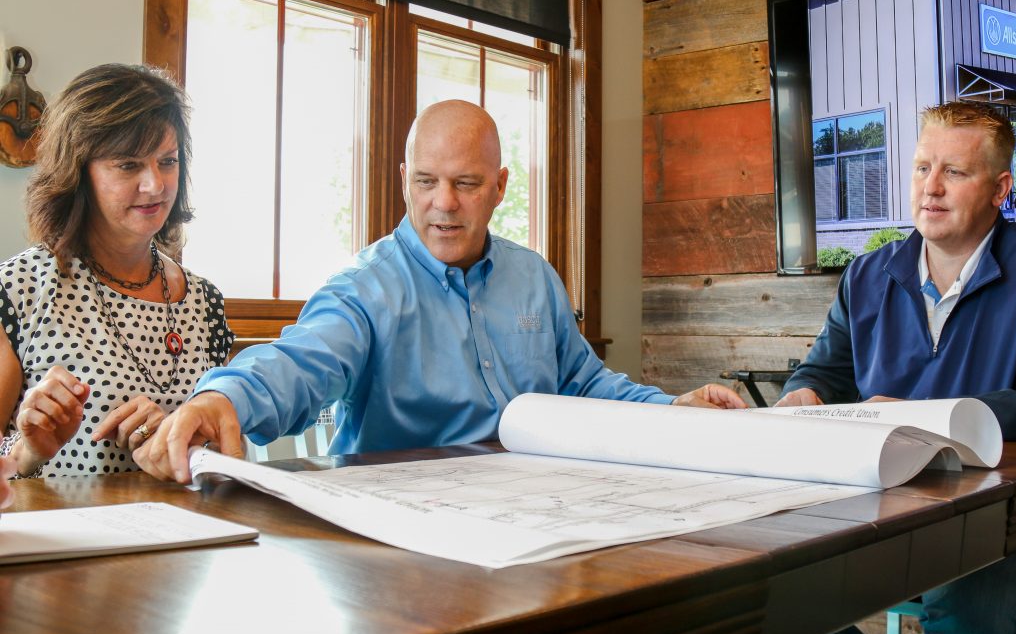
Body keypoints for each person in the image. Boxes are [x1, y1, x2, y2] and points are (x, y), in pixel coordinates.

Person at [133, 99, 745, 483]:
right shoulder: (365, 286)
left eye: (467, 183)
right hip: (406, 526)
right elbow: (300, 361)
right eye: (426, 182)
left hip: (540, 506)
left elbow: (584, 384)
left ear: (501, 186)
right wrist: (226, 398)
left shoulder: (536, 278)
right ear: (404, 180)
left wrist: (671, 410)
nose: (443, 204)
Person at [775, 101, 1016, 634]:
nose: (930, 188)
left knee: (964, 616)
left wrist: (924, 417)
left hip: (1001, 521)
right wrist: (803, 395)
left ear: (999, 188)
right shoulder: (866, 275)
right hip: (882, 504)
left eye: (954, 172)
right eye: (920, 168)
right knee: (771, 598)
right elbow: (824, 372)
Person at [0, 64, 235, 480]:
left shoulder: (204, 302)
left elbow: (230, 461)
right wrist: (28, 451)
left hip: (190, 538)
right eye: (128, 165)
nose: (155, 185)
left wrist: (189, 446)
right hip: (62, 541)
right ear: (79, 173)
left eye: (168, 161)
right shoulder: (19, 289)